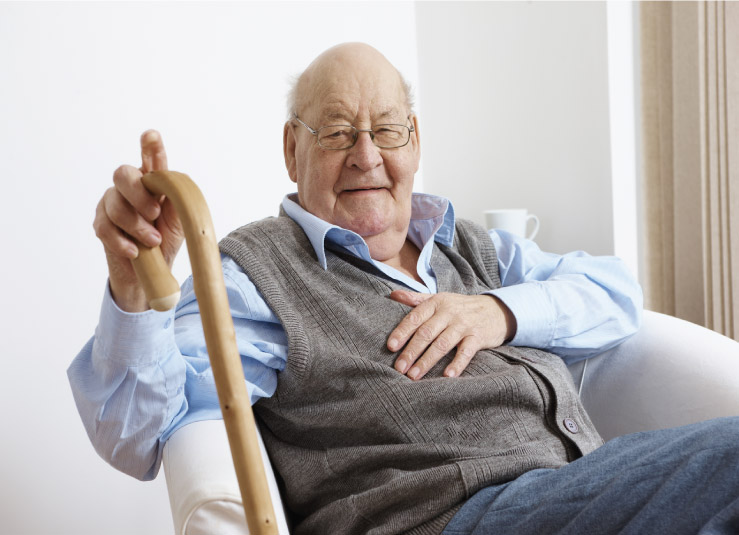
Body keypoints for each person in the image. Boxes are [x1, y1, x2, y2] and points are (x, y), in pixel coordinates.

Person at [69, 43, 739, 534]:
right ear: (290, 150)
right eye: (336, 132)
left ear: (413, 140)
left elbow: (614, 292)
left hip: (577, 491)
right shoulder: (251, 276)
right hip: (450, 517)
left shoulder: (471, 244)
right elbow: (140, 432)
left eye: (386, 129)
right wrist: (133, 293)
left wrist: (497, 311)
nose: (366, 154)